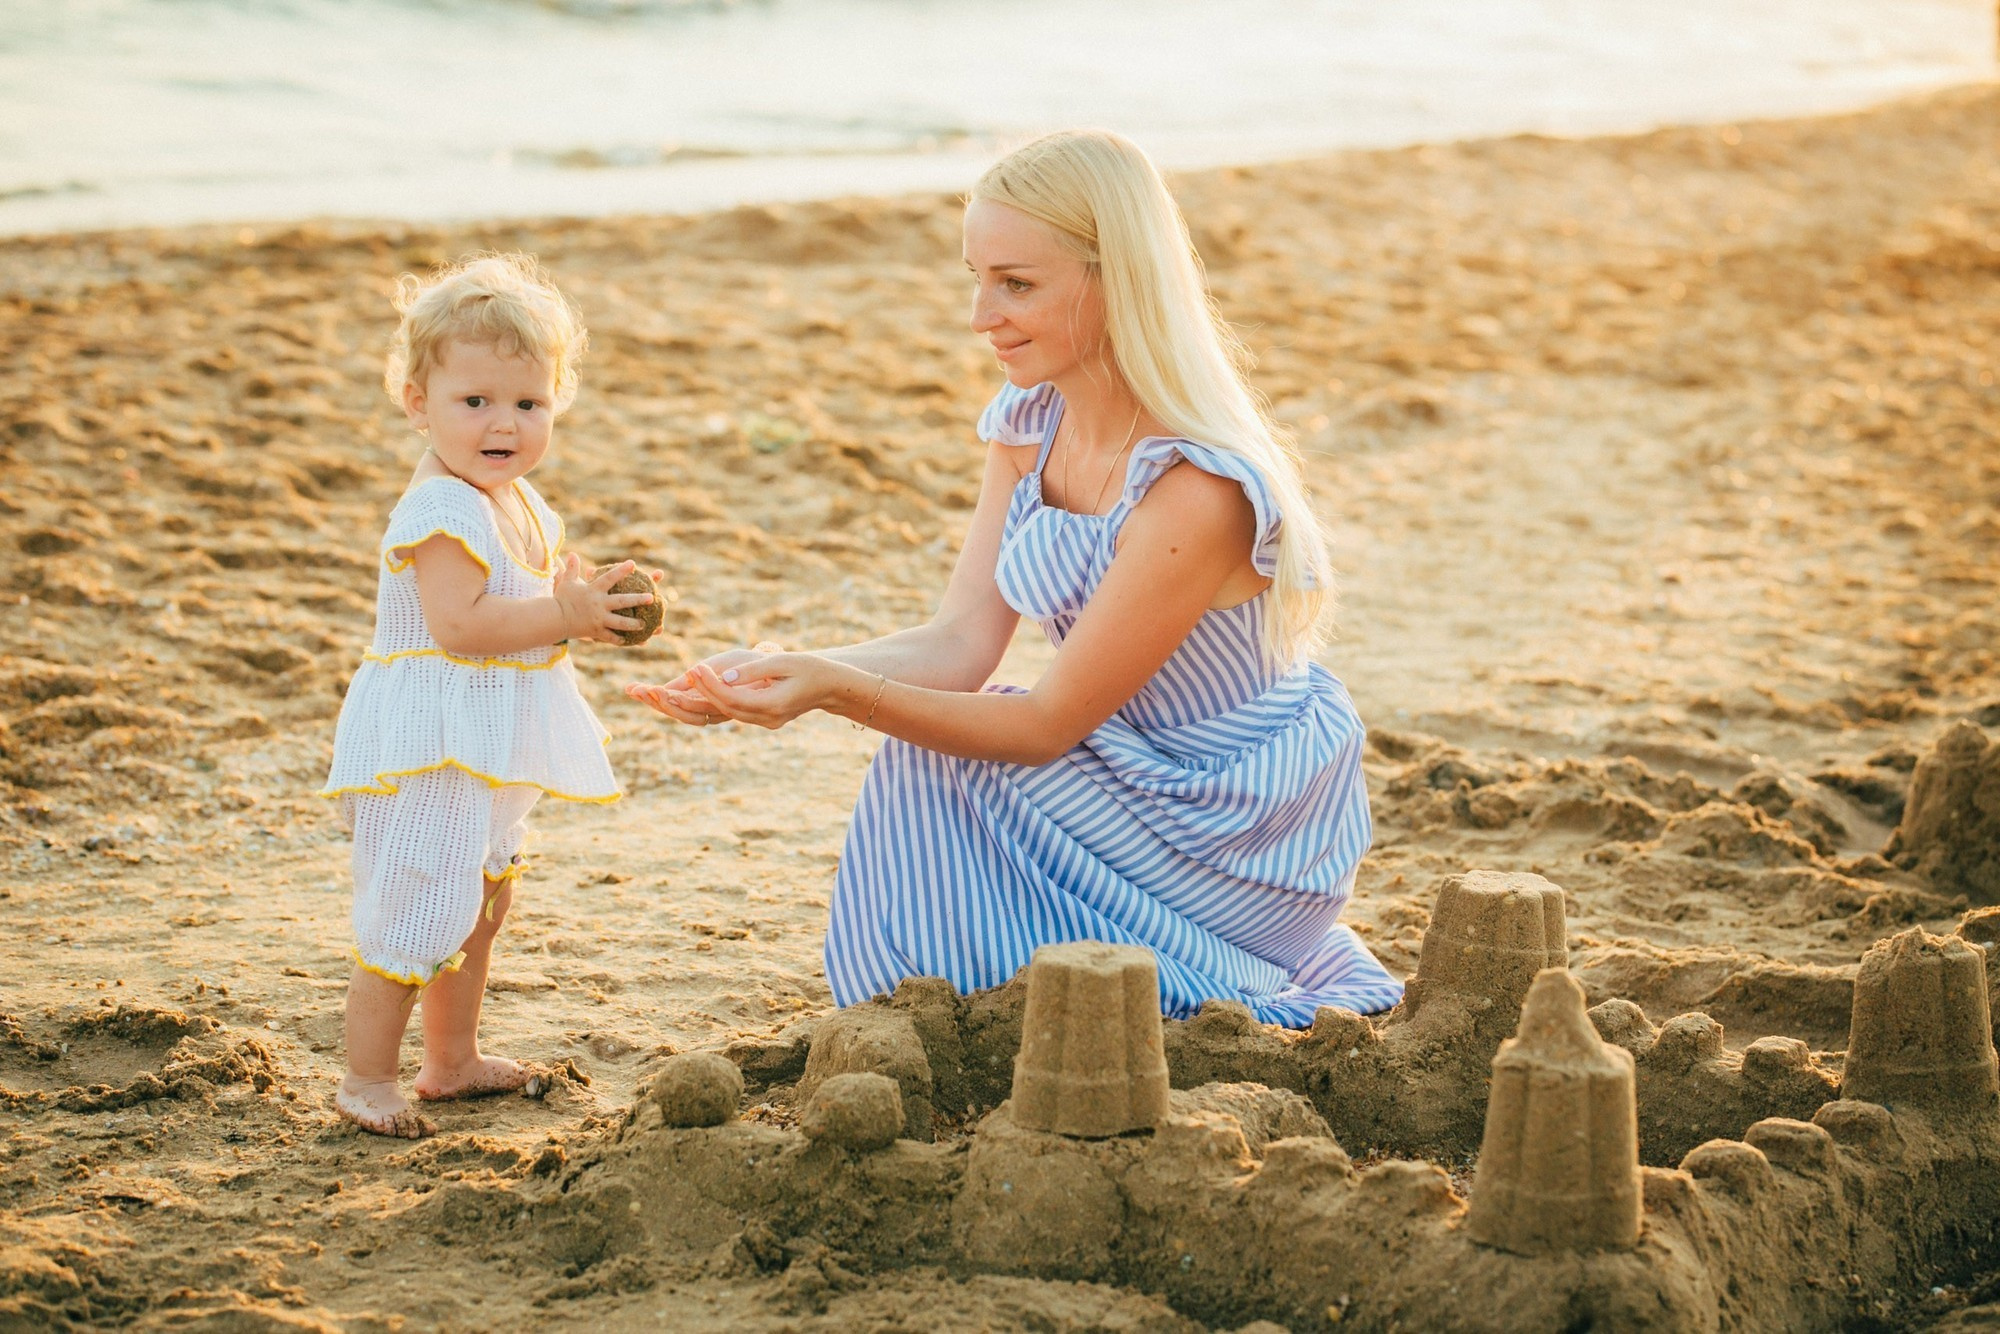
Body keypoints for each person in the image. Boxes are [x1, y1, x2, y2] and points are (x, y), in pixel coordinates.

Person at [628, 131, 1401, 1026]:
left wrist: (837, 693)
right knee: (934, 741)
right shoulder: (1032, 421)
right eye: (977, 278)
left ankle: (1035, 1002)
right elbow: (957, 643)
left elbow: (1041, 727)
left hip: (1237, 816)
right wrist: (785, 664)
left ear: (1118, 279)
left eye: (1017, 284)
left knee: (939, 747)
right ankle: (975, 1001)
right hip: (1122, 768)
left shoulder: (1198, 490)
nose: (981, 315)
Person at [319, 253, 654, 1137]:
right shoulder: (442, 510)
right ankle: (364, 1077)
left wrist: (581, 598)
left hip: (485, 742)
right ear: (416, 404)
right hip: (433, 744)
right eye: (475, 402)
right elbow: (460, 626)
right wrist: (562, 613)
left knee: (481, 900)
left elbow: (523, 600)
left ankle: (452, 1059)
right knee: (416, 901)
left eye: (527, 403)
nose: (503, 422)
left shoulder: (512, 496)